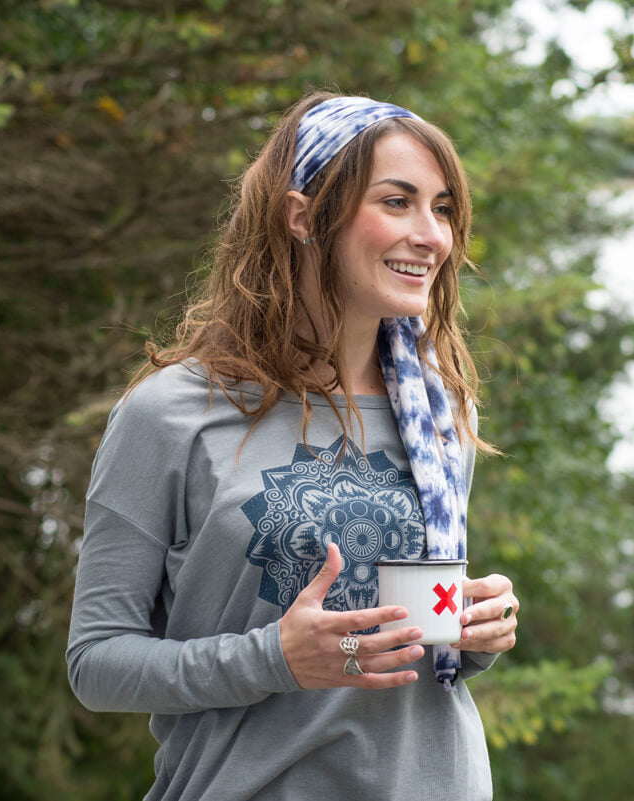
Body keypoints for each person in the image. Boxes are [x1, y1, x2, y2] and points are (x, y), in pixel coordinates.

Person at [66, 91, 520, 801]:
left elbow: (410, 647)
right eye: (397, 201)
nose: (432, 235)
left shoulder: (438, 410)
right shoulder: (169, 414)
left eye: (442, 209)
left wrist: (472, 628)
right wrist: (273, 657)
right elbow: (96, 662)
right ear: (303, 213)